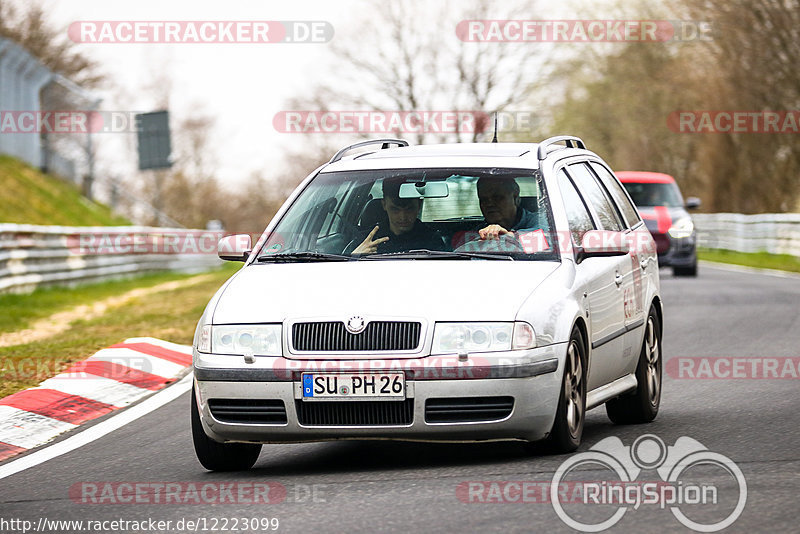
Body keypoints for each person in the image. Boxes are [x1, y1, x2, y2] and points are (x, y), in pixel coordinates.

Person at [352, 179, 446, 254]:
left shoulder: (431, 239)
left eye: (409, 208)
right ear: (384, 204)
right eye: (395, 209)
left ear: (419, 205)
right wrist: (355, 255)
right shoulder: (368, 240)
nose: (403, 217)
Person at [474, 176, 541, 239]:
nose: (489, 204)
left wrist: (508, 235)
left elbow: (545, 239)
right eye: (483, 199)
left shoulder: (539, 220)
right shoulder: (478, 231)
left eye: (497, 198)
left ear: (515, 198)